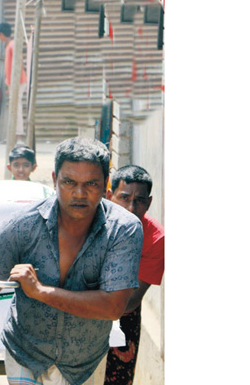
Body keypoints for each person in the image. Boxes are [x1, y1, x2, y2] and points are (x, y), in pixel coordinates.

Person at [0, 136, 143, 385]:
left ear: (105, 187)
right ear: (54, 180)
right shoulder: (23, 226)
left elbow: (113, 307)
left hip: (84, 362)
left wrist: (40, 291)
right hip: (26, 353)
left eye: (91, 183)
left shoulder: (124, 229)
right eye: (69, 182)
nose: (79, 193)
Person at [103, 165, 165, 385]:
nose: (130, 207)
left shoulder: (156, 239)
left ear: (148, 203)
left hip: (123, 317)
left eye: (139, 200)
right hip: (76, 310)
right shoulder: (91, 222)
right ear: (110, 197)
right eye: (124, 198)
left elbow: (130, 301)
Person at [0, 21, 27, 141]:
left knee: (16, 108)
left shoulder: (12, 45)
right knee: (14, 108)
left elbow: (18, 63)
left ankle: (18, 136)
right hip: (14, 82)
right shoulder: (9, 45)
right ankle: (14, 136)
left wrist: (14, 83)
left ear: (1, 34)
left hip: (18, 81)